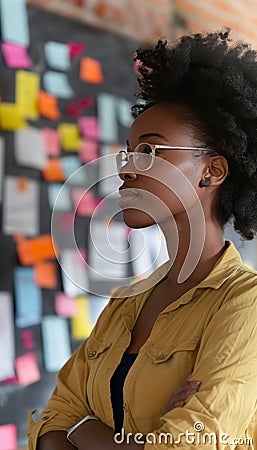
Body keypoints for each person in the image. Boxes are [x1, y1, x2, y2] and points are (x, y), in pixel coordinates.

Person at [28, 29, 257, 449]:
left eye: (150, 152)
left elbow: (189, 443)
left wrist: (83, 432)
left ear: (213, 171)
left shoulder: (246, 303)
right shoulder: (126, 302)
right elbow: (49, 423)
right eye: (127, 153)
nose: (127, 170)